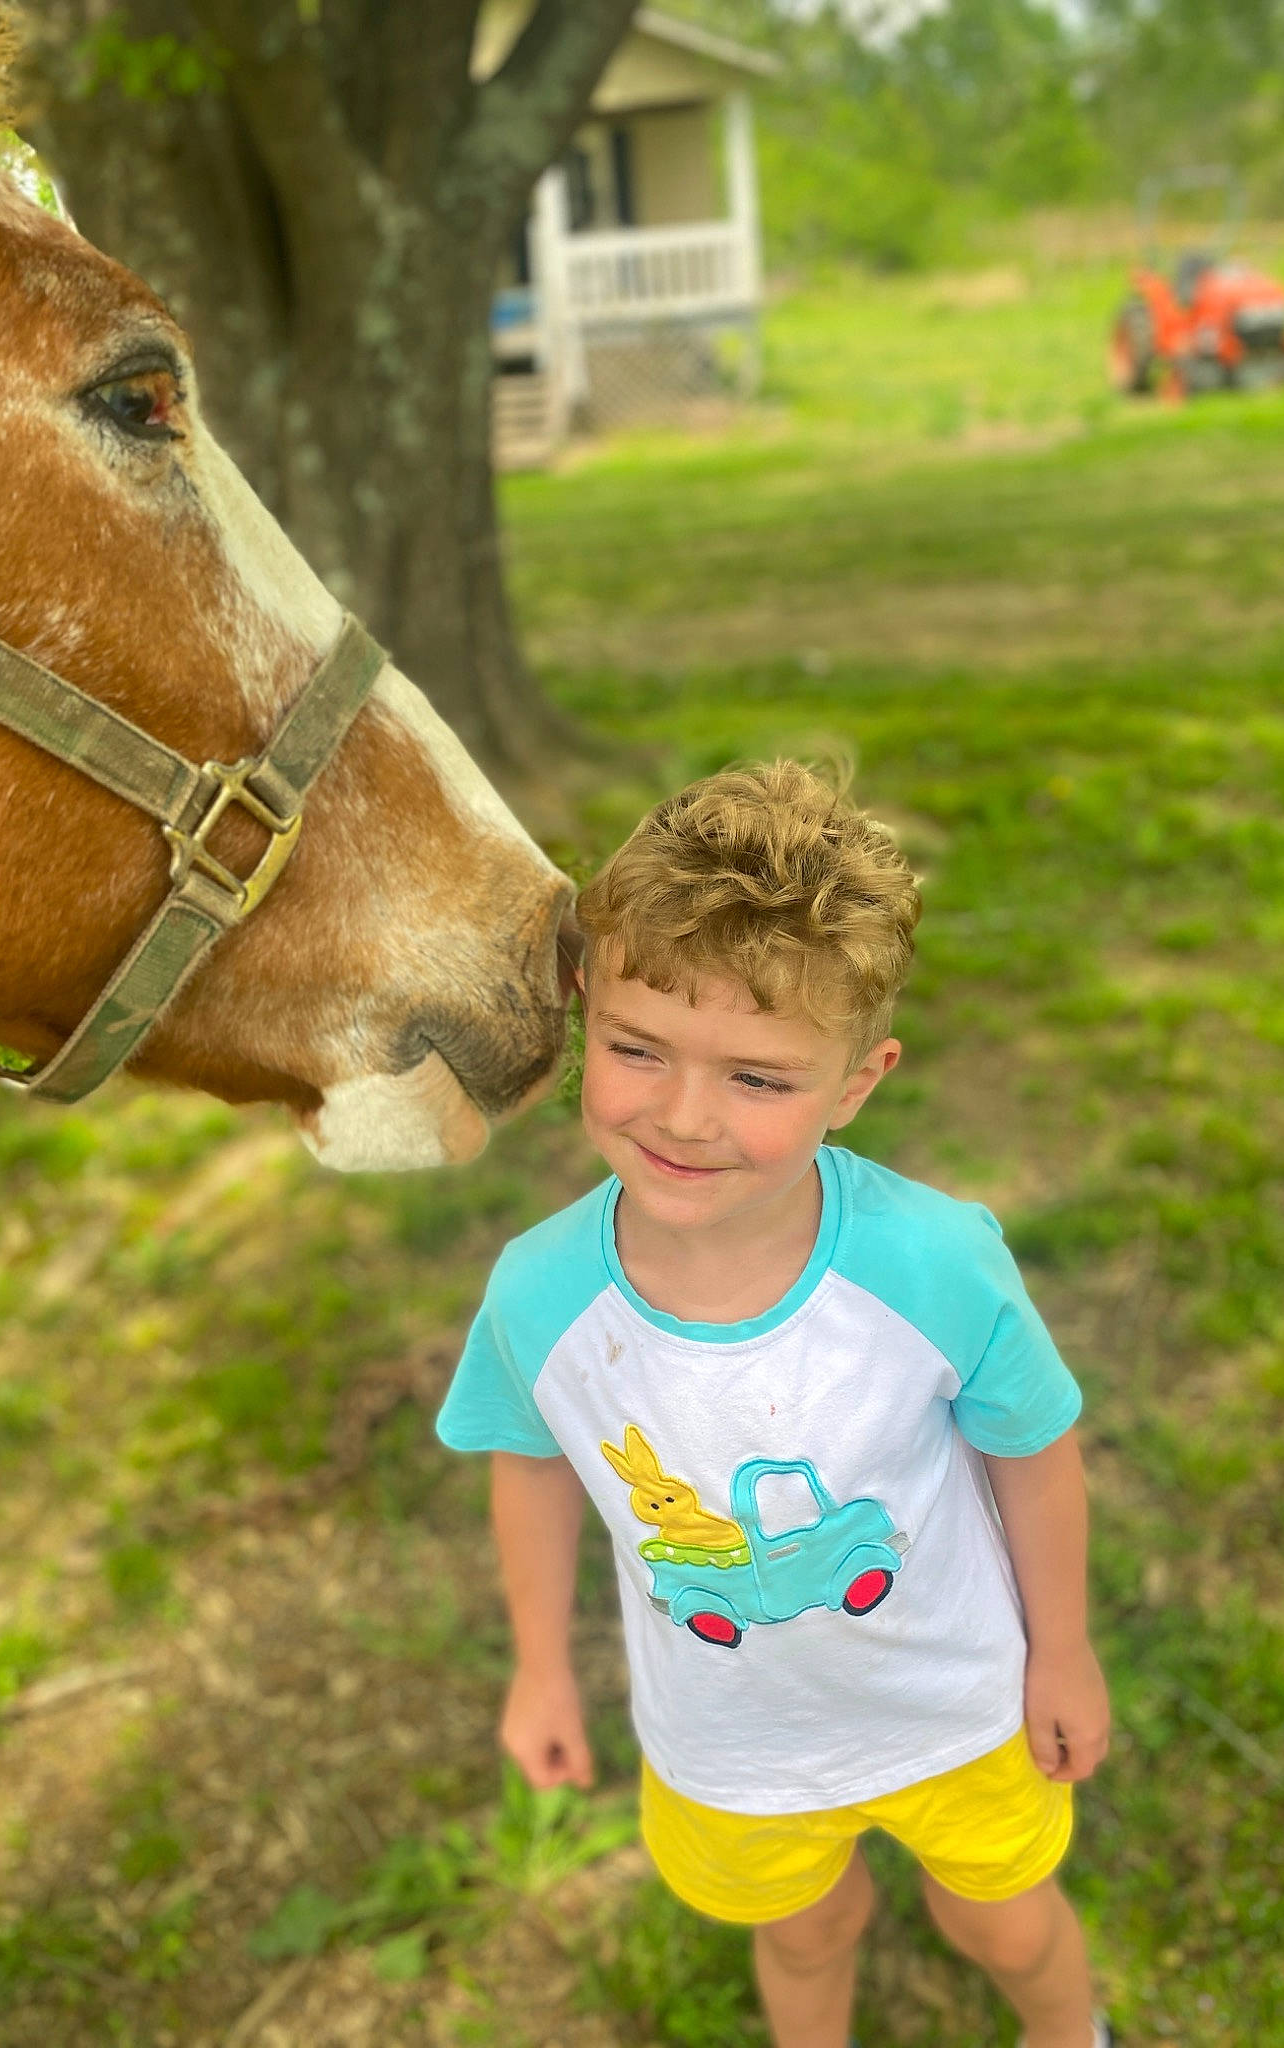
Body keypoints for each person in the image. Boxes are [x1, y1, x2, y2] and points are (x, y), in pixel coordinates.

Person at [436, 762, 1113, 2048]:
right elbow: (531, 1462)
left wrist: (1063, 1647)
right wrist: (541, 1669)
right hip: (730, 1738)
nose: (684, 1116)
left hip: (954, 1704)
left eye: (759, 1077)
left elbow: (1033, 1446)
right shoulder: (539, 1293)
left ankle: (1066, 2031)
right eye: (637, 1048)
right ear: (585, 1014)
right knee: (804, 1932)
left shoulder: (935, 1261)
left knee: (1006, 1923)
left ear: (858, 1082)